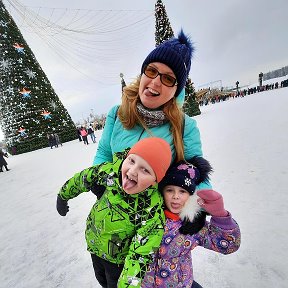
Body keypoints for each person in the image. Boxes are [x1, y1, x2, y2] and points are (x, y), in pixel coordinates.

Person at [93, 30, 207, 190]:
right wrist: (100, 183)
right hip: (113, 208)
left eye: (168, 78)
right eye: (152, 71)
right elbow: (104, 153)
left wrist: (204, 204)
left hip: (154, 212)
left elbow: (196, 175)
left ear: (177, 91)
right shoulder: (117, 114)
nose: (155, 82)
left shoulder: (184, 126)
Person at [56, 137, 172, 288]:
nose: (133, 171)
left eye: (145, 170)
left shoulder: (151, 210)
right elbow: (85, 177)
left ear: (155, 180)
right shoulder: (111, 171)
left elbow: (141, 256)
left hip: (117, 262)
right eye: (132, 161)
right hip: (94, 244)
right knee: (100, 279)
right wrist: (63, 195)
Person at [142, 157, 241, 288]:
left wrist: (221, 215)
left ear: (191, 196)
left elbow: (229, 245)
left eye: (182, 191)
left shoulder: (193, 225)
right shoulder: (148, 216)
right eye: (170, 190)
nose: (175, 196)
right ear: (162, 192)